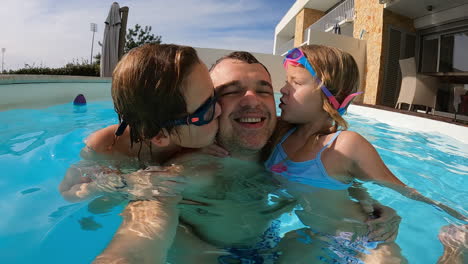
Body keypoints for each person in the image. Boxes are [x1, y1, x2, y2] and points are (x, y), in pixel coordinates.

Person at [90, 51, 400, 264]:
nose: (252, 100)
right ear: (207, 105)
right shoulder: (181, 157)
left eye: (264, 90)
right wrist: (127, 181)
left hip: (269, 248)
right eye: (232, 91)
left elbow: (334, 170)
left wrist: (369, 204)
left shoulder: (283, 140)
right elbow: (140, 235)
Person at [259, 45, 467, 262]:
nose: (283, 89)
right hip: (315, 235)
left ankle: (456, 247)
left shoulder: (344, 145)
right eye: (286, 81)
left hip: (365, 237)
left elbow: (405, 191)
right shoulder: (278, 135)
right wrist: (368, 199)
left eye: (297, 82)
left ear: (331, 95)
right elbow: (342, 182)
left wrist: (455, 215)